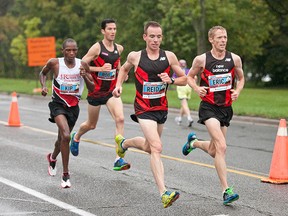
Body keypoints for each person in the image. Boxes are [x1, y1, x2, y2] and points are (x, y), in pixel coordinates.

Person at [112, 21, 187, 208]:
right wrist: (118, 85)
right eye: (152, 36)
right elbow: (123, 69)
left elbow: (185, 78)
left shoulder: (169, 56)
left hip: (161, 108)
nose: (155, 40)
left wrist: (172, 80)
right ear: (144, 37)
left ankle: (124, 143)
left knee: (149, 147)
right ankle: (164, 193)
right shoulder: (136, 56)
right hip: (143, 109)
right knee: (157, 147)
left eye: (159, 36)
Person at [181, 26, 245, 205]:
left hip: (226, 108)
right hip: (209, 107)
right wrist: (196, 88)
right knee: (222, 147)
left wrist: (237, 90)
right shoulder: (202, 59)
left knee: (213, 150)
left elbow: (241, 78)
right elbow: (190, 77)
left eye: (225, 37)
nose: (223, 40)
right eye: (219, 38)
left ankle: (193, 143)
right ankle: (226, 191)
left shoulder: (234, 58)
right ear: (211, 39)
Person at [69, 18, 130, 171]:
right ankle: (76, 137)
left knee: (120, 119)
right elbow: (81, 65)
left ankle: (119, 159)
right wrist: (100, 69)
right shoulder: (97, 48)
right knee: (91, 125)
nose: (113, 32)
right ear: (103, 31)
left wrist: (121, 76)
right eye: (109, 29)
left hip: (111, 92)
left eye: (115, 29)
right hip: (95, 92)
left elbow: (118, 65)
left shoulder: (119, 48)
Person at [39, 38, 95, 188]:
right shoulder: (55, 63)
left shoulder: (82, 65)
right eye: (68, 50)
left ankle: (52, 157)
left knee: (61, 140)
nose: (71, 53)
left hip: (73, 107)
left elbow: (92, 87)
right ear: (62, 51)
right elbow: (42, 73)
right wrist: (44, 86)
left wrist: (84, 76)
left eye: (74, 50)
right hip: (57, 104)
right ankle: (65, 175)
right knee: (66, 136)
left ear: (77, 51)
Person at [173, 59, 195, 127]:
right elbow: (195, 78)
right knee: (184, 104)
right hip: (189, 87)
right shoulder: (188, 71)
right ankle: (179, 118)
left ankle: (189, 118)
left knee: (184, 104)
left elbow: (173, 80)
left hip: (181, 87)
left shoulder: (177, 71)